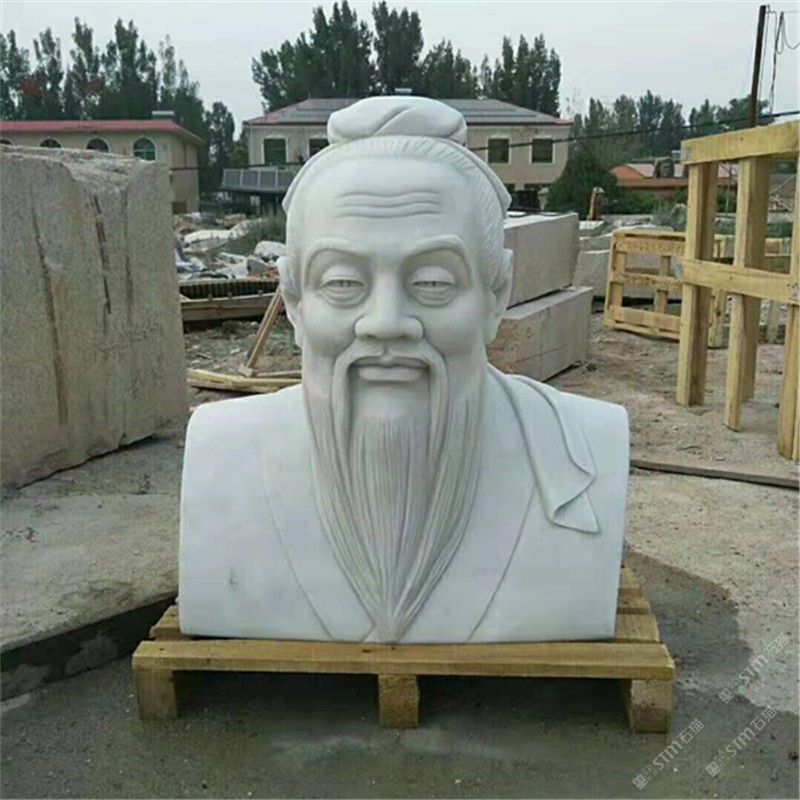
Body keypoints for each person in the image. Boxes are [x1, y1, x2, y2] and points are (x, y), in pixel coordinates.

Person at [179, 96, 628, 643]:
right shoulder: (224, 459)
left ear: (495, 295)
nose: (386, 323)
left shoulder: (581, 451)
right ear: (294, 302)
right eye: (343, 283)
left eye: (433, 283)